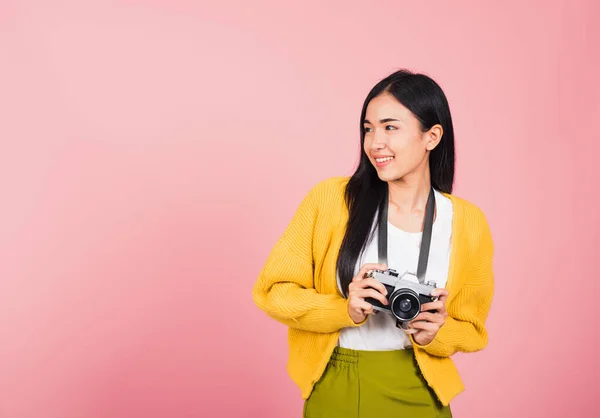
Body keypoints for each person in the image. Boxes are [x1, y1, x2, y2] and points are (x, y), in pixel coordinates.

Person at [252, 68, 495, 418]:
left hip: (420, 387)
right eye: (368, 128)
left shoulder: (468, 222)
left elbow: (472, 329)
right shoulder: (330, 200)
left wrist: (434, 333)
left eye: (390, 127)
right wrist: (344, 310)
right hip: (338, 383)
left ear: (432, 136)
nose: (374, 142)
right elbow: (271, 291)